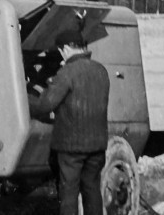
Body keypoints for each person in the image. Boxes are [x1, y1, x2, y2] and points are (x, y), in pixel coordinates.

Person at [28, 30, 110, 215]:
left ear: (65, 49)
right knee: (92, 191)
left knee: (69, 194)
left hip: (71, 147)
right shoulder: (101, 70)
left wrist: (22, 98)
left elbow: (45, 105)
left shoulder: (67, 73)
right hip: (97, 145)